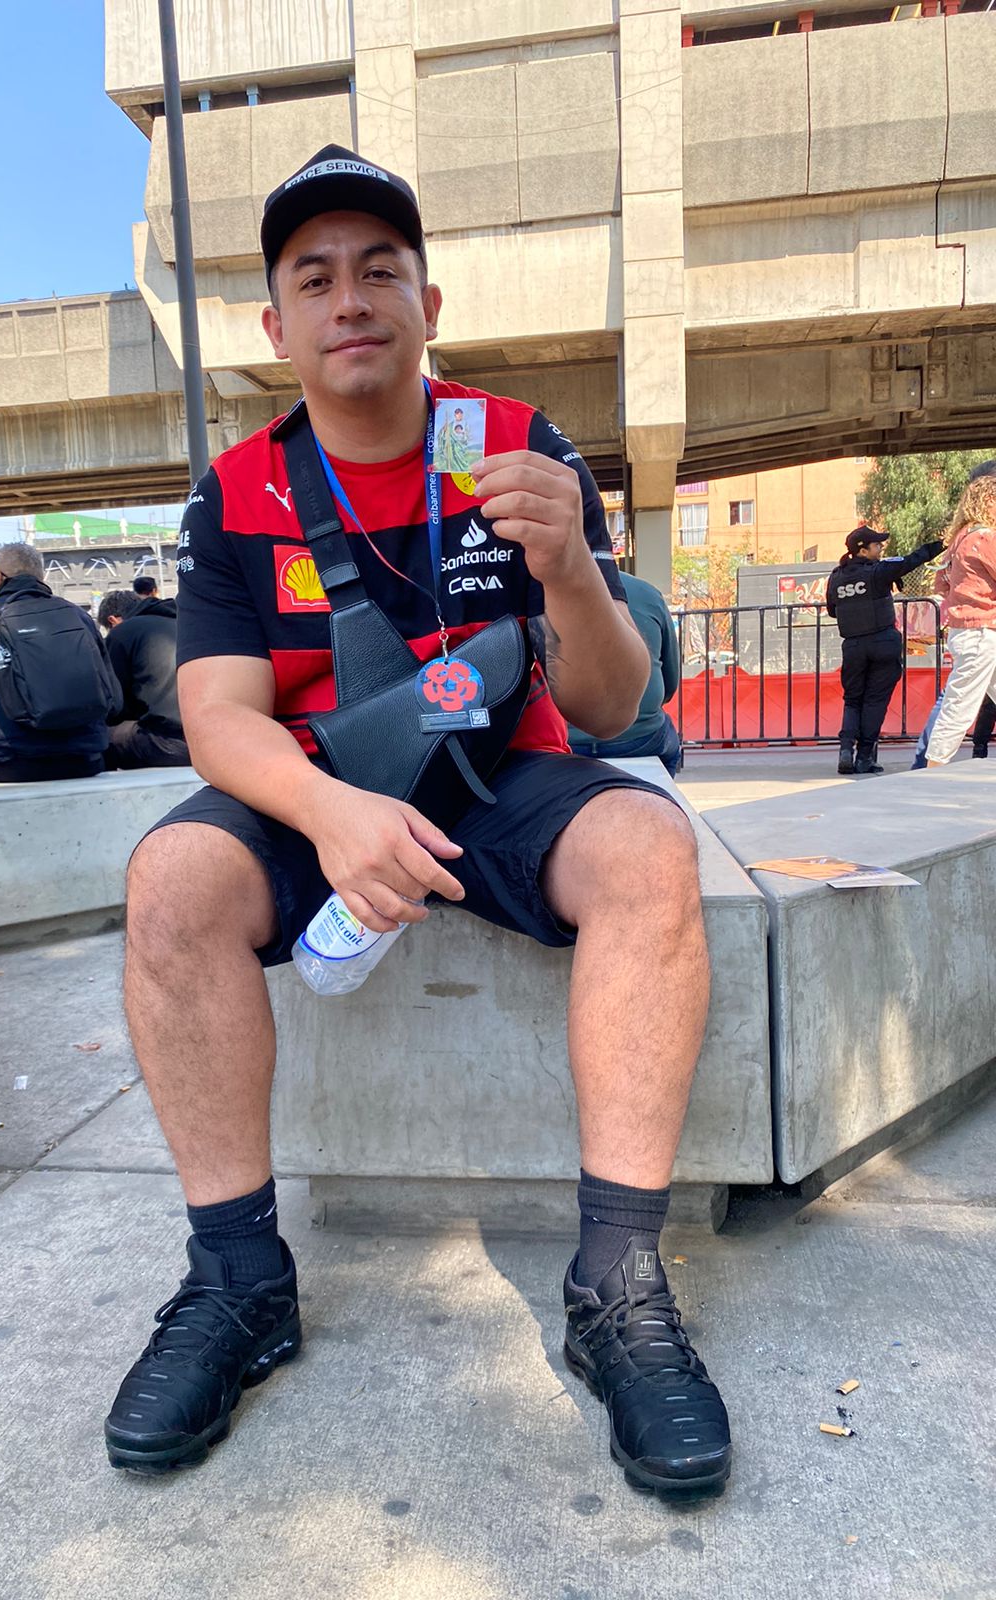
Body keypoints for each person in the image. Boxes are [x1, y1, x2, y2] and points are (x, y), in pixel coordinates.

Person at [105, 146, 731, 1498]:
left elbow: (613, 703)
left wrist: (571, 572)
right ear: (277, 326)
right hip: (320, 784)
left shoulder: (513, 443)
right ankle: (237, 1278)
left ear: (427, 304)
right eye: (315, 278)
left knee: (650, 846)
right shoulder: (239, 491)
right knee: (170, 879)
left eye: (380, 270)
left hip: (509, 778)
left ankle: (617, 1285)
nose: (351, 299)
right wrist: (331, 815)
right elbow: (217, 717)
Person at [0, 543, 121, 784]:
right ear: (40, 577)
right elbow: (113, 695)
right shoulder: (78, 616)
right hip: (84, 757)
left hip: (8, 760)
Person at [825, 524, 944, 774]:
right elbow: (913, 560)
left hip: (853, 646)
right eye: (877, 545)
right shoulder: (878, 571)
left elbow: (833, 611)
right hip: (883, 643)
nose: (880, 548)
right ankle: (864, 757)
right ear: (863, 550)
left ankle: (845, 750)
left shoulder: (836, 576)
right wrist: (942, 543)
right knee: (874, 702)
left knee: (853, 700)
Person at [572, 570, 682, 776]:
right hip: (640, 736)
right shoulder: (648, 593)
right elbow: (670, 683)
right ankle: (659, 791)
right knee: (671, 749)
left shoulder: (541, 589)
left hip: (566, 742)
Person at [924, 475, 996, 766]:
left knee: (959, 703)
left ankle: (932, 767)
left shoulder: (959, 540)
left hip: (969, 629)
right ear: (989, 501)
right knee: (959, 707)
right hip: (983, 630)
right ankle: (932, 769)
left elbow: (941, 585)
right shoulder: (985, 538)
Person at [97, 589, 190, 769]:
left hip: (168, 742)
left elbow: (113, 700)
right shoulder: (185, 623)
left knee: (99, 738)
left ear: (113, 620)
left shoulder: (123, 632)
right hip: (210, 737)